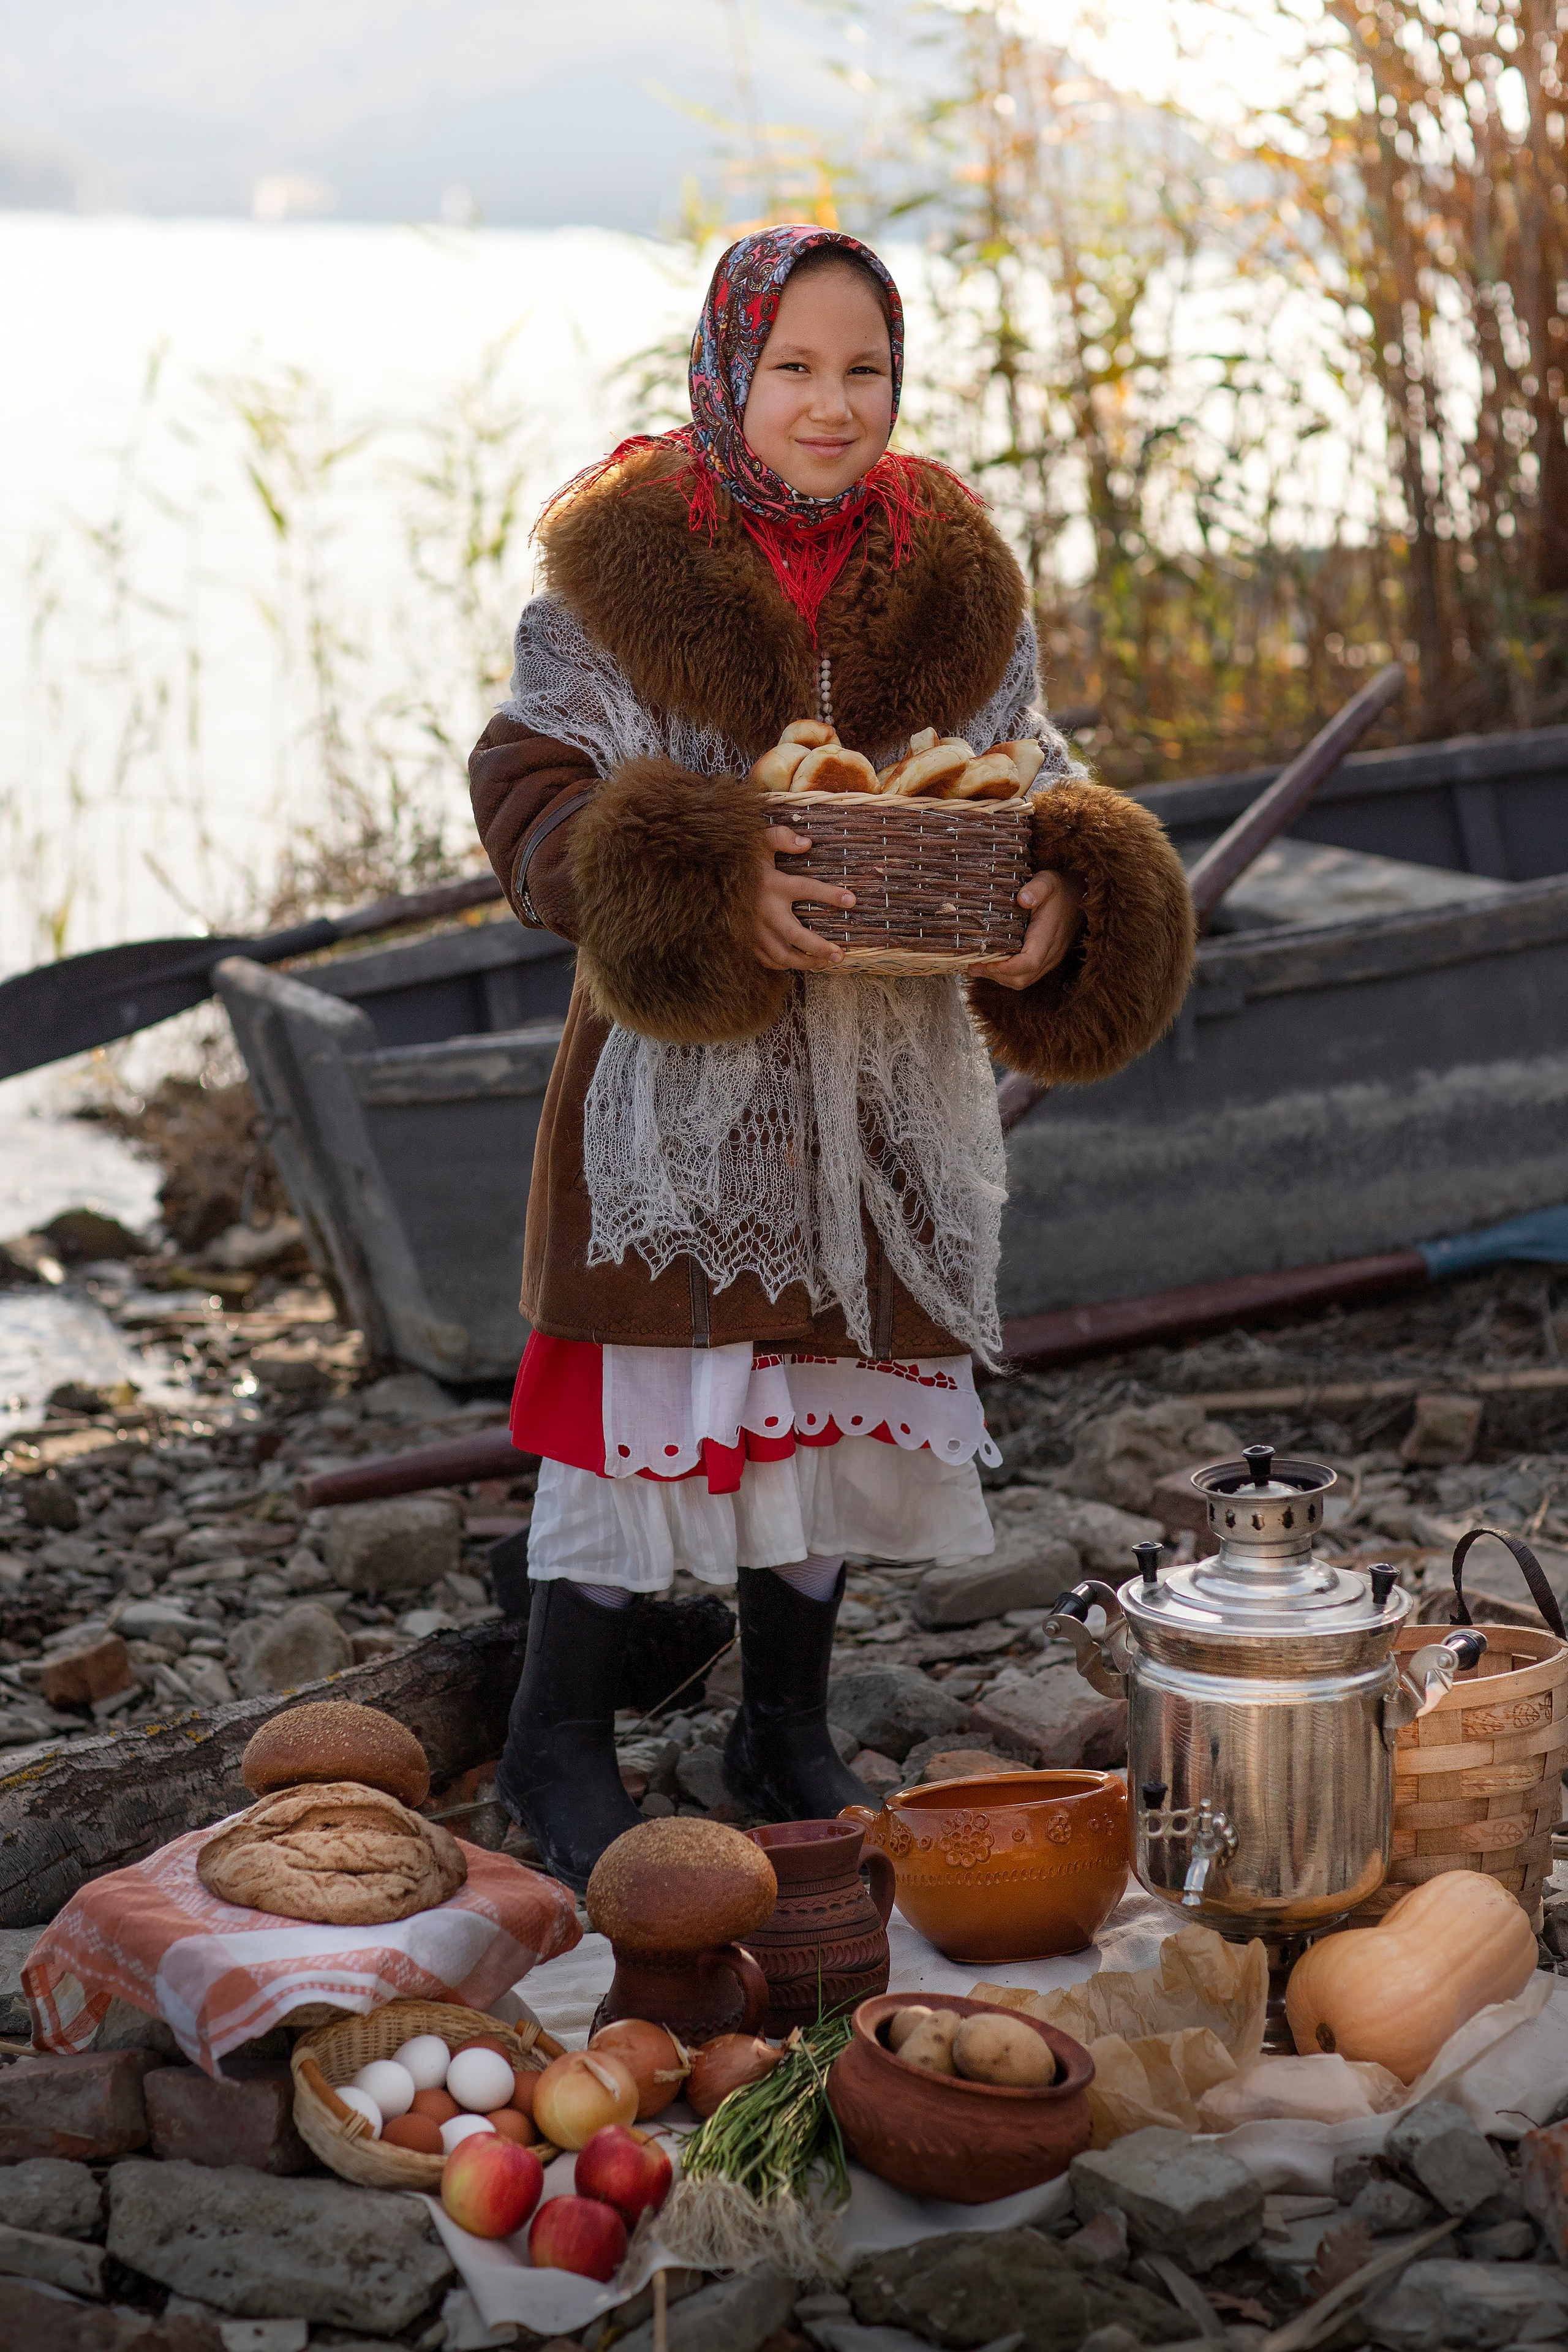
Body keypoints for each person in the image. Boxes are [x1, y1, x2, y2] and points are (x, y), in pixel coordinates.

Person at [470, 225, 1193, 1890]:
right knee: (657, 1394)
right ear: (730, 370)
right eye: (794, 365)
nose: (832, 402)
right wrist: (713, 874)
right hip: (685, 1082)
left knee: (836, 1393)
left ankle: (779, 1727)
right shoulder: (616, 574)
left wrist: (1055, 896)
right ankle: (553, 1740)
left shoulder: (957, 575)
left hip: (881, 1082)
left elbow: (1034, 771)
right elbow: (527, 801)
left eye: (864, 368)